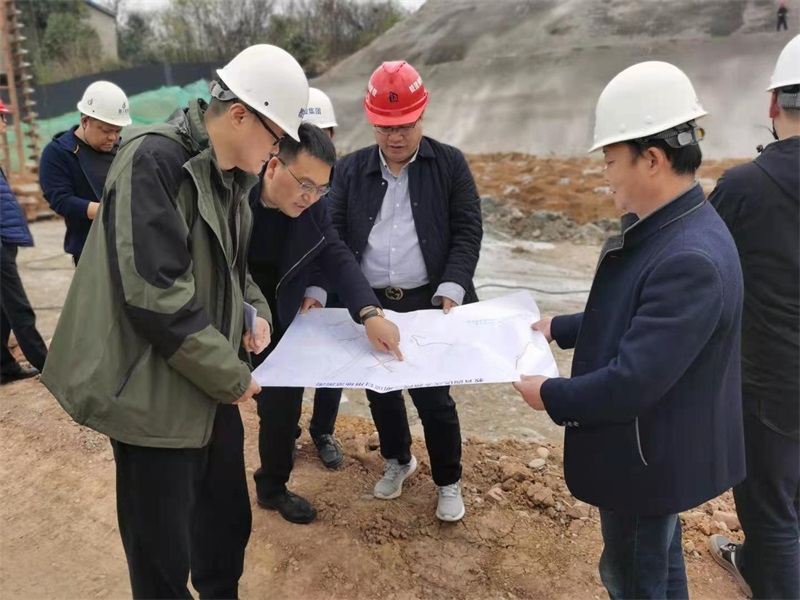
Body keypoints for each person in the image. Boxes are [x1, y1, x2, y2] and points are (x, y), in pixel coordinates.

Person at [41, 44, 307, 599]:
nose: (277, 151)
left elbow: (231, 270)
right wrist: (234, 377)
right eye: (277, 136)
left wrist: (252, 312)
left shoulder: (231, 176)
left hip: (207, 384)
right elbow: (156, 296)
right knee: (161, 555)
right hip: (152, 397)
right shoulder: (155, 161)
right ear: (241, 115)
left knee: (224, 528)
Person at [513, 61, 745, 599]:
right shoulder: (677, 229)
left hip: (645, 461)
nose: (605, 174)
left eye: (611, 160)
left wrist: (549, 394)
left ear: (653, 159)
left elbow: (630, 384)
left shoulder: (689, 258)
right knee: (657, 562)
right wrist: (561, 327)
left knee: (634, 576)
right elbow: (642, 316)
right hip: (654, 451)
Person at [326, 60, 483, 523]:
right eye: (384, 127)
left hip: (429, 300)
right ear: (371, 120)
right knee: (381, 391)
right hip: (371, 301)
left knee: (434, 398)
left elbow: (467, 230)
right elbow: (334, 235)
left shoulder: (449, 164)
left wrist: (453, 285)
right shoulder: (350, 170)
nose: (395, 136)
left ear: (422, 114)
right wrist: (351, 300)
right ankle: (398, 459)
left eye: (405, 125)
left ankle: (448, 480)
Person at [248, 122, 402, 522]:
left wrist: (369, 313)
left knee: (282, 411)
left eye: (321, 188)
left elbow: (337, 256)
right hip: (229, 314)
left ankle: (272, 488)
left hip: (281, 320)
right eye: (305, 185)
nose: (311, 197)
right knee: (216, 408)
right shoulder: (235, 197)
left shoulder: (313, 209)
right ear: (272, 167)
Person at [707, 34, 800, 600]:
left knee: (771, 511)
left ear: (773, 102)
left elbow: (699, 269)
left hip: (771, 385)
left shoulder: (744, 187)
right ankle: (754, 566)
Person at [299, 87, 348, 470]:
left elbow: (340, 240)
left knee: (334, 363)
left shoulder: (346, 178)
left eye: (324, 133)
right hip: (292, 283)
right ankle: (283, 431)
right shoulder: (280, 174)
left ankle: (322, 430)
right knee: (287, 360)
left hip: (334, 283)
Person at [39, 81, 131, 265]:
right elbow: (61, 200)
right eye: (106, 130)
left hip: (129, 245)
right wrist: (108, 210)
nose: (113, 137)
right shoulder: (58, 153)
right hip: (91, 252)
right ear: (85, 121)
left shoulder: (123, 148)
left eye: (118, 130)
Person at [0, 99, 48, 383]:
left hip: (5, 239)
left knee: (3, 309)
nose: (4, 124)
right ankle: (47, 363)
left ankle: (4, 366)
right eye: (1, 117)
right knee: (17, 306)